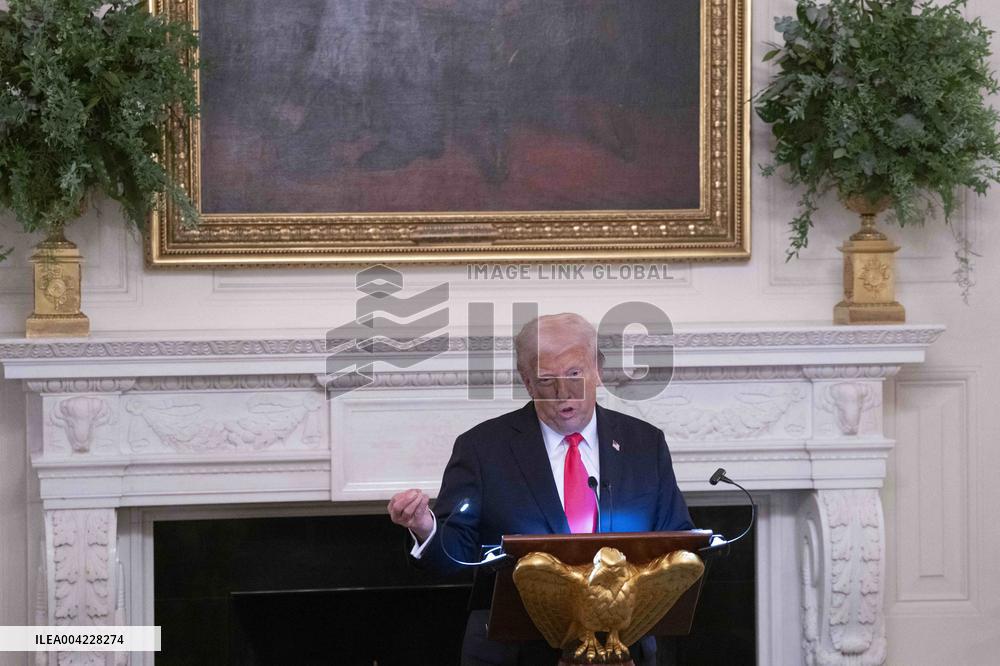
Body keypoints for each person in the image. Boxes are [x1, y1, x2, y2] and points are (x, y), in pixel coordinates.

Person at [388, 313, 693, 665]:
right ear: (528, 382)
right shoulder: (483, 449)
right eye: (547, 380)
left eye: (575, 374)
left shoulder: (644, 444)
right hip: (514, 653)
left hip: (622, 649)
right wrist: (425, 527)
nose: (563, 393)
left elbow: (678, 540)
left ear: (598, 370)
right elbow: (456, 554)